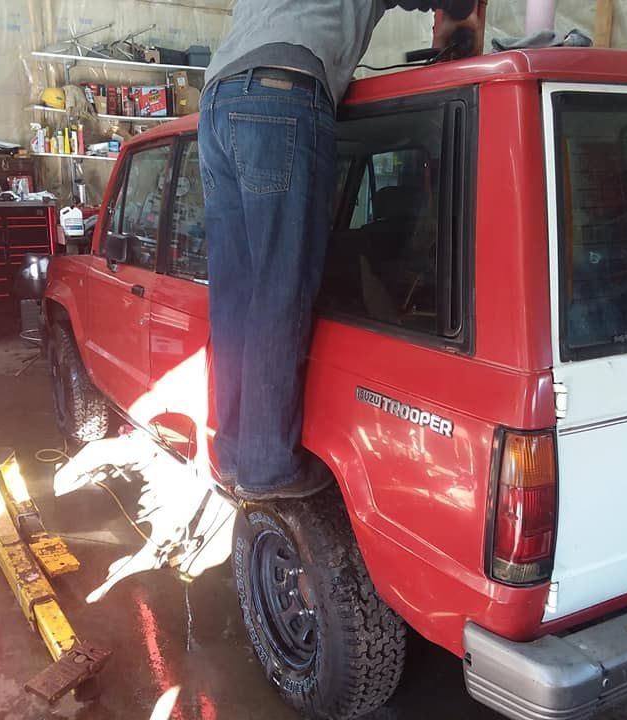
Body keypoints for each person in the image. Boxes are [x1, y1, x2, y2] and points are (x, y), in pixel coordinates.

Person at [199, 0, 480, 501]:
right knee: (278, 289)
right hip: (281, 92)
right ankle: (267, 468)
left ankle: (236, 455)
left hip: (217, 99)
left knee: (236, 297)